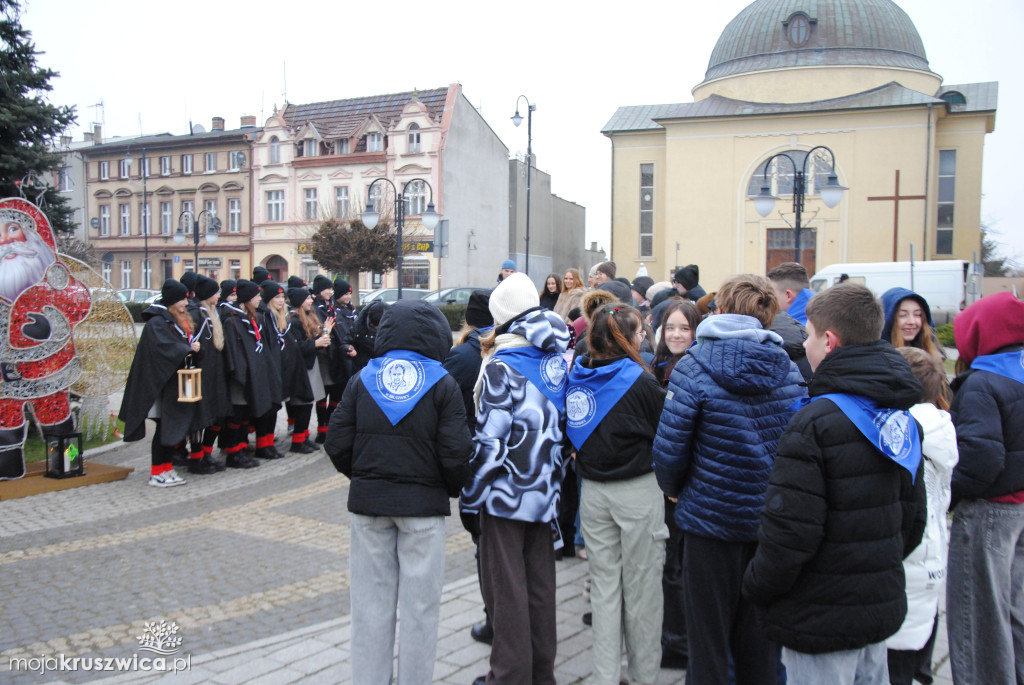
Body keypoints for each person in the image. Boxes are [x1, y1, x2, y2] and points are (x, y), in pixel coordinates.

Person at [743, 283, 926, 685]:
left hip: (818, 616)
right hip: (877, 604)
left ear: (829, 341)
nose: (805, 343)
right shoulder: (901, 416)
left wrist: (756, 585)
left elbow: (790, 533)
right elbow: (914, 520)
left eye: (808, 334)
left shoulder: (813, 424)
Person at [654, 274, 806, 684]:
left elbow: (669, 450)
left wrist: (674, 490)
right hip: (765, 523)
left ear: (720, 308)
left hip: (709, 523)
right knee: (760, 645)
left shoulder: (694, 366)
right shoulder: (788, 369)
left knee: (708, 644)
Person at [325, 299, 473, 685]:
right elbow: (457, 452)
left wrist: (364, 478)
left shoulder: (363, 379)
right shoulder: (443, 383)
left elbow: (336, 442)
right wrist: (445, 488)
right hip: (423, 512)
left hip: (369, 509)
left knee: (369, 608)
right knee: (421, 610)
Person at [461, 272, 570, 685]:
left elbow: (490, 443)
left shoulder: (501, 364)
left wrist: (470, 497)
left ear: (502, 315)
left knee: (506, 591)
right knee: (540, 587)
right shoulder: (556, 357)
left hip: (505, 495)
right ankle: (541, 673)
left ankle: (508, 676)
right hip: (545, 492)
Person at [567, 303, 667, 685]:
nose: (644, 338)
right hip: (637, 493)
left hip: (592, 493)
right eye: (640, 333)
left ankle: (605, 676)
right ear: (625, 339)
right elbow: (666, 435)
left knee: (604, 590)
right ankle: (644, 676)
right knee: (642, 593)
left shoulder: (577, 375)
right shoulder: (642, 383)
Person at [946, 291, 1024, 685]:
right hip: (1020, 510)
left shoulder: (981, 384)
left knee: (979, 620)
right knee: (1015, 613)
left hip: (988, 512)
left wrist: (948, 492)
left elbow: (981, 457)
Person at [886, 346, 958, 685]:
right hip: (931, 565)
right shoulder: (941, 430)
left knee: (895, 667)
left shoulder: (906, 436)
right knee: (915, 662)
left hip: (906, 570)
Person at [648, 297, 701, 670]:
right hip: (664, 481)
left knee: (678, 567)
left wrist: (677, 482)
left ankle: (679, 643)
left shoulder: (694, 370)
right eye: (671, 327)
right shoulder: (657, 367)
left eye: (685, 328)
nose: (677, 334)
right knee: (670, 564)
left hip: (683, 487)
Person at [444, 289, 496, 645]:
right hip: (515, 463)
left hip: (474, 454)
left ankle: (493, 618)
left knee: (484, 542)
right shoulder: (512, 349)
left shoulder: (462, 355)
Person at [120, 279, 203, 487]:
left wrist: (190, 348)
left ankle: (167, 468)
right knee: (163, 430)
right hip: (159, 388)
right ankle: (157, 472)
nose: (186, 303)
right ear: (172, 301)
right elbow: (164, 349)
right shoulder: (157, 323)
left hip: (173, 386)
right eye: (182, 299)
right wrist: (186, 349)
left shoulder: (172, 320)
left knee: (170, 428)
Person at [218, 279, 274, 469]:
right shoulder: (232, 320)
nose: (259, 299)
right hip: (239, 379)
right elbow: (234, 353)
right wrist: (242, 375)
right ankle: (233, 454)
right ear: (248, 299)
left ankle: (241, 450)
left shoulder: (248, 318)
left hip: (251, 376)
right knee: (236, 417)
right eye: (256, 296)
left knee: (243, 416)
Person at [185, 275, 229, 474]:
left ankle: (207, 453)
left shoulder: (212, 312)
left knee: (217, 415)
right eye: (215, 292)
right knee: (199, 418)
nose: (219, 295)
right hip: (201, 373)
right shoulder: (196, 314)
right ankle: (196, 458)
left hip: (215, 373)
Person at [880, 287, 942, 359]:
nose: (912, 322)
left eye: (917, 314)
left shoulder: (933, 359)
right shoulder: (877, 360)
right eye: (903, 315)